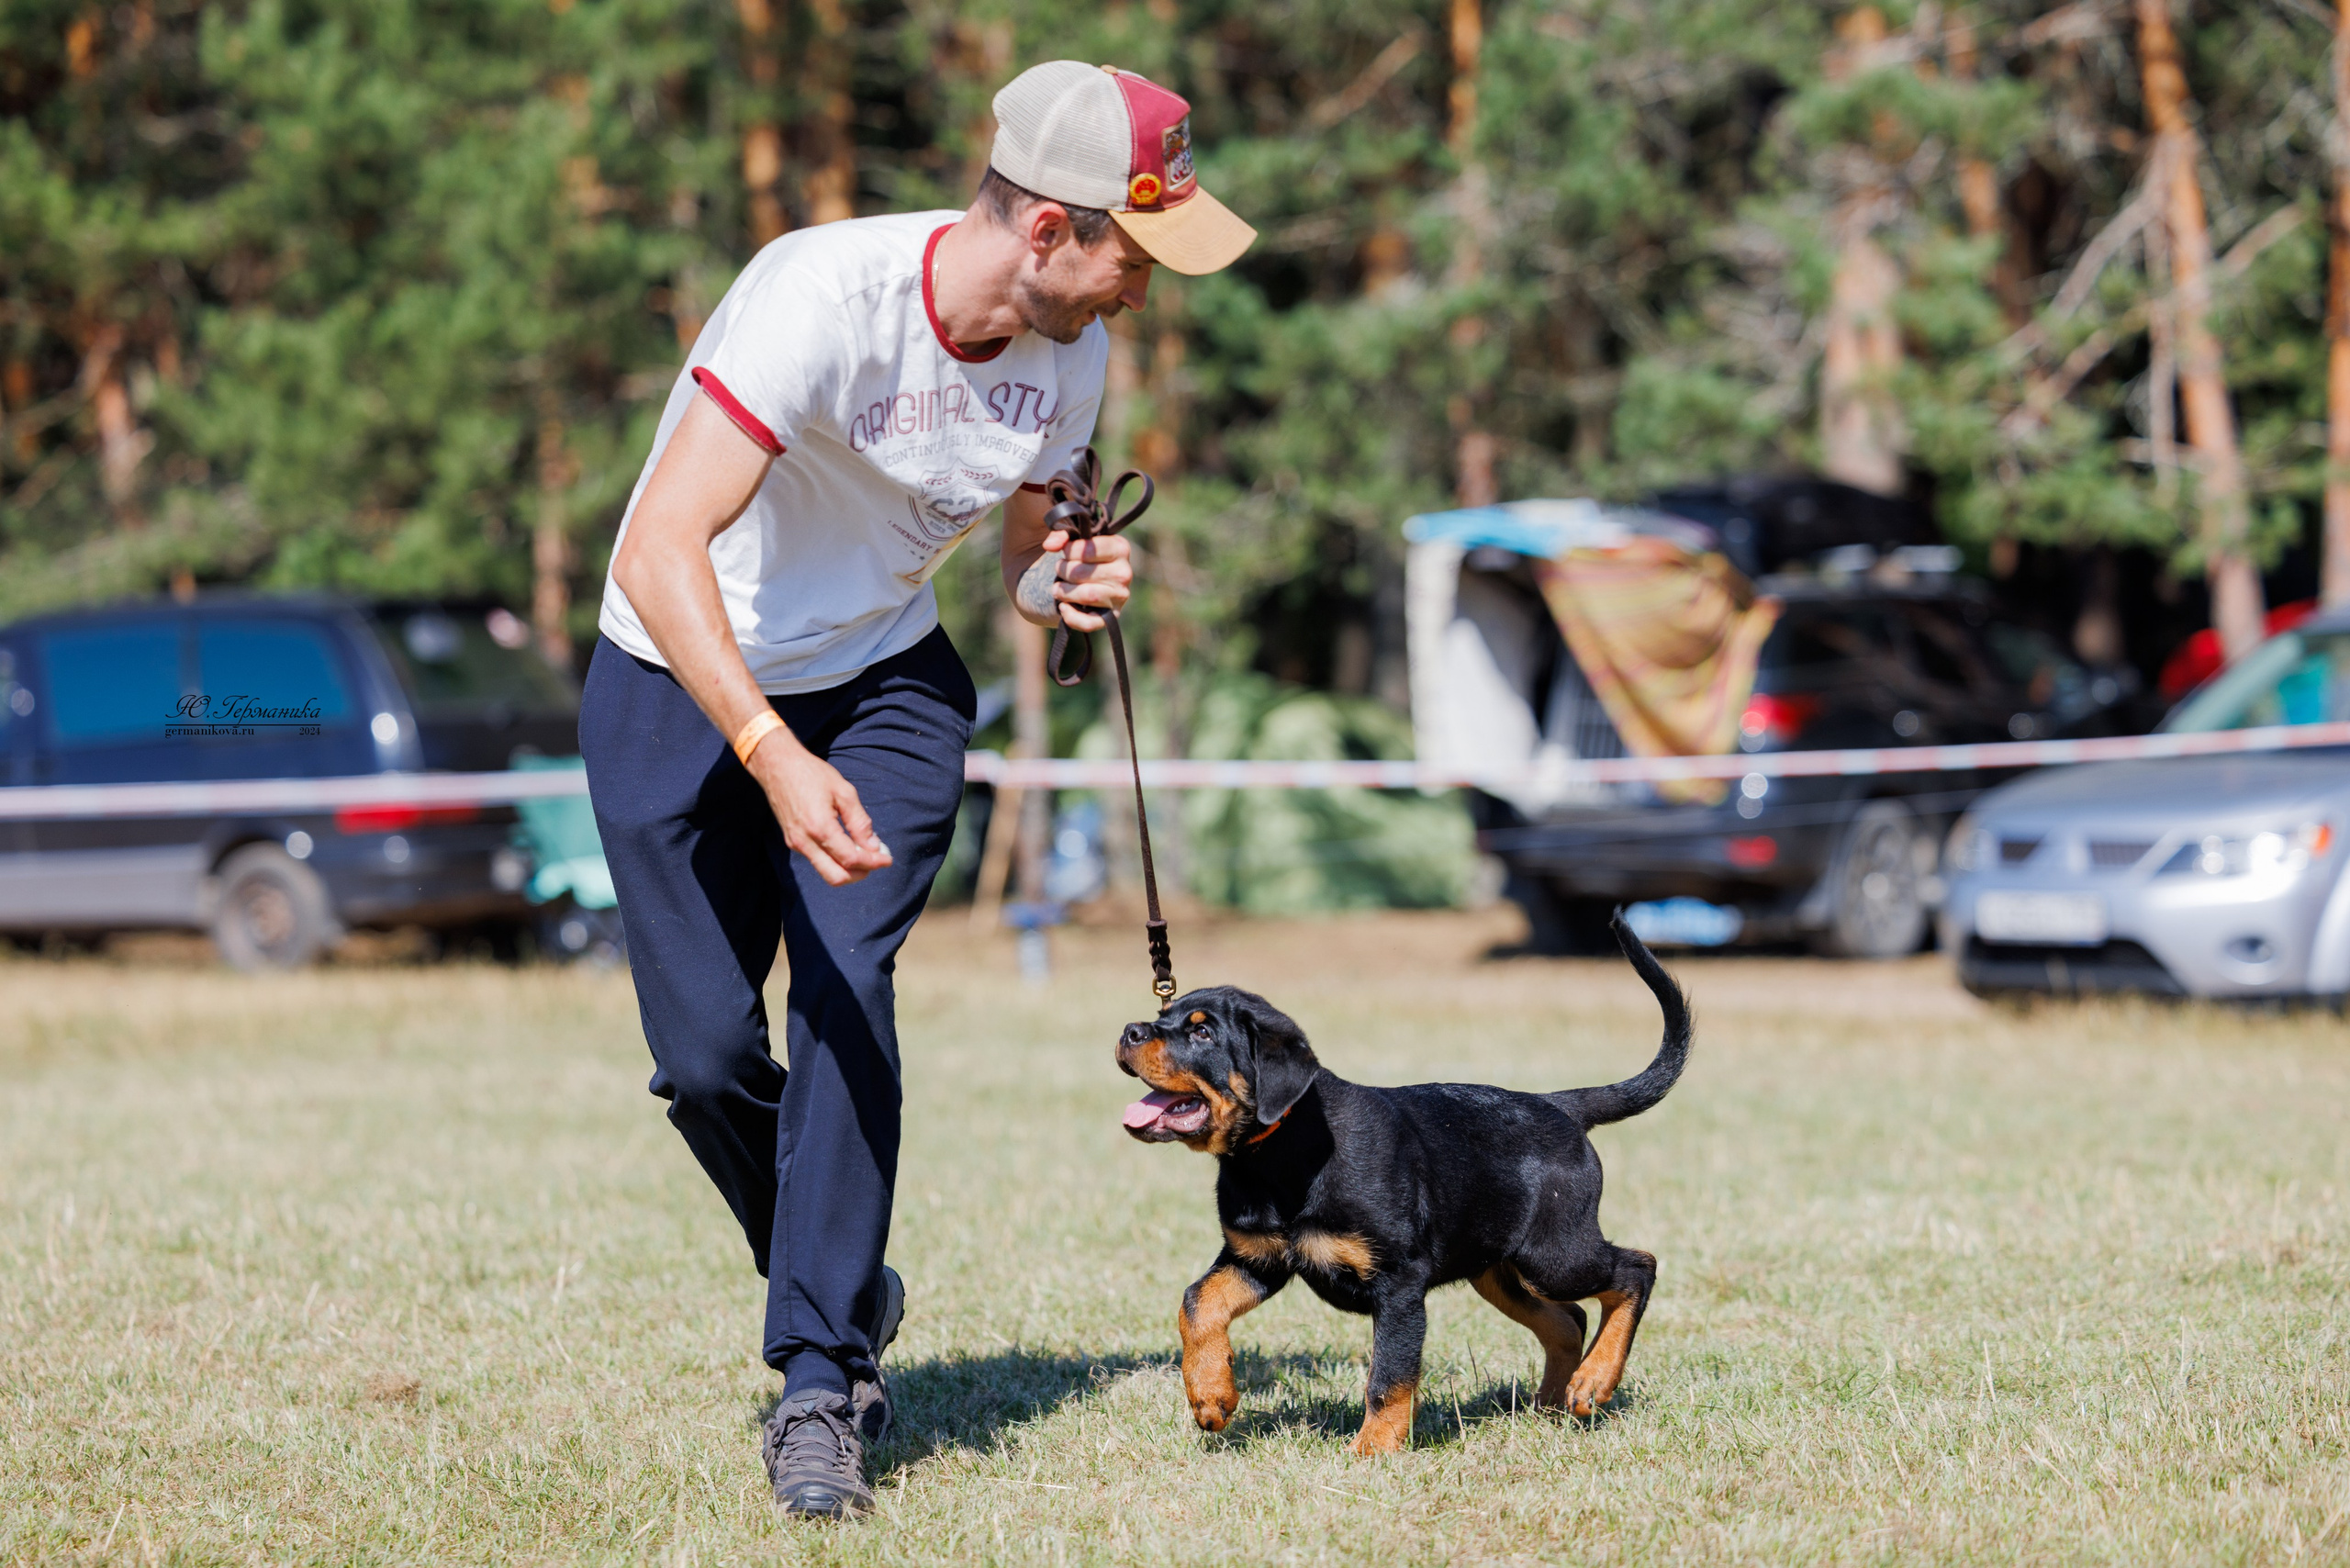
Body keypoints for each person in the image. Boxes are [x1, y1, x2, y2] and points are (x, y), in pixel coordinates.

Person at [576, 60, 1255, 1519]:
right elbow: (655, 551)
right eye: (1138, 255)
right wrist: (766, 746)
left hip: (884, 686)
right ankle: (846, 1271)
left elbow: (1018, 545)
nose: (1146, 290)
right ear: (1054, 230)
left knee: (841, 988)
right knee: (701, 1058)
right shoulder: (819, 298)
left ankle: (819, 1379)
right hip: (679, 675)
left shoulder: (1072, 350)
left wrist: (1057, 586)